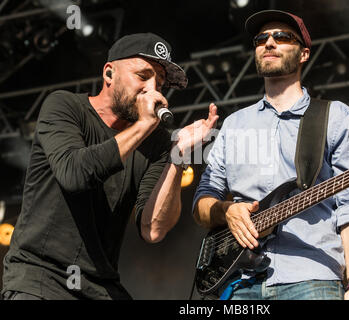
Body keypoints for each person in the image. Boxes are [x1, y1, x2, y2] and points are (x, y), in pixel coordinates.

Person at [1, 33, 218, 300]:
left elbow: (153, 230)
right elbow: (74, 175)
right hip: (41, 279)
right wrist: (142, 126)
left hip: (100, 286)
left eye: (160, 83)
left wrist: (178, 157)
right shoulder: (64, 107)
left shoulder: (157, 143)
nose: (153, 90)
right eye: (143, 76)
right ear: (109, 74)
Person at [193, 10, 349, 300]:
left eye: (282, 37)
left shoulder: (336, 117)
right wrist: (226, 211)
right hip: (237, 283)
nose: (269, 43)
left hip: (311, 278)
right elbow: (202, 202)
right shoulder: (234, 124)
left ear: (303, 54)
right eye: (261, 38)